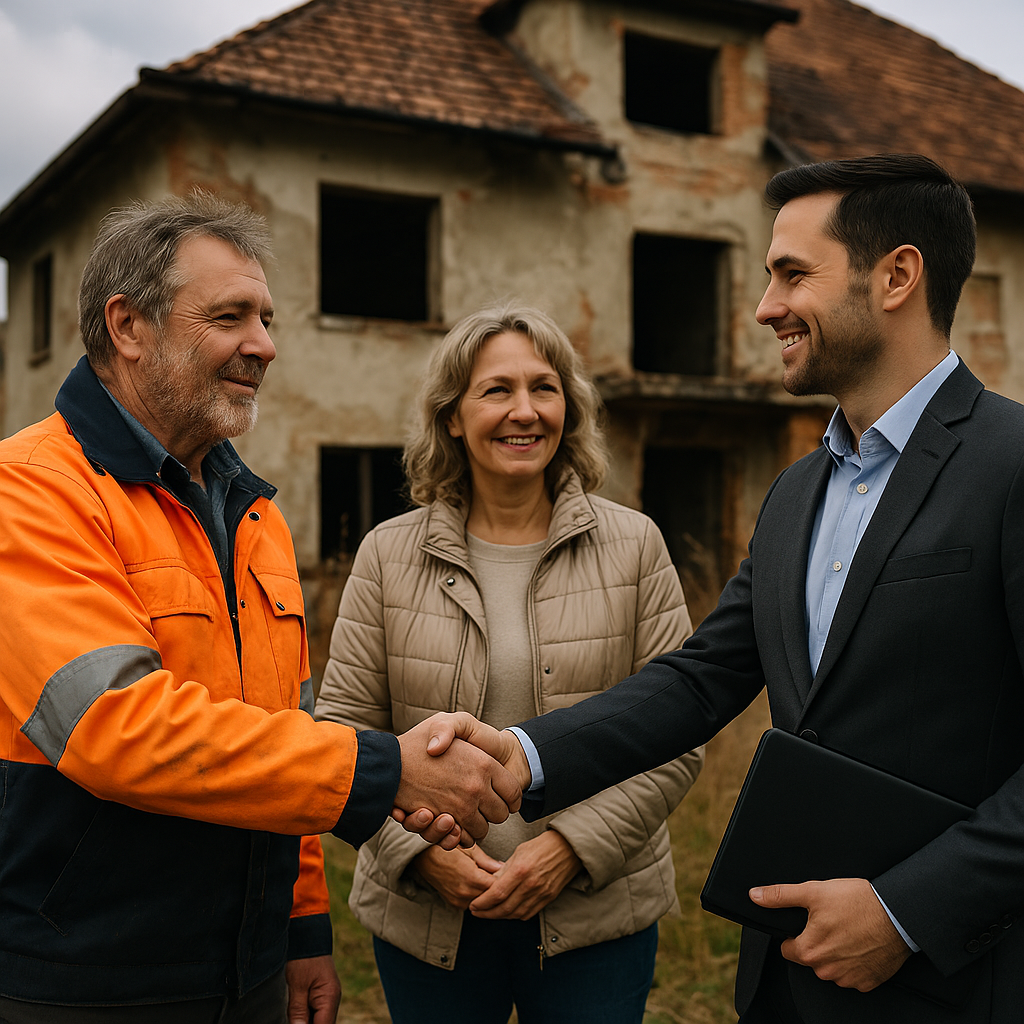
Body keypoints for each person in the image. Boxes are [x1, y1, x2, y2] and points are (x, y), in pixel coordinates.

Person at [425, 154, 1024, 1024]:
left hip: (958, 979)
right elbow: (700, 677)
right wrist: (525, 754)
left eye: (792, 274)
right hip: (785, 974)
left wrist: (906, 910)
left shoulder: (1011, 464)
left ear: (897, 275)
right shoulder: (793, 493)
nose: (764, 306)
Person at [0, 192, 521, 1022]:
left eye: (267, 318)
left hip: (247, 967)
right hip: (86, 976)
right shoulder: (28, 490)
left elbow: (287, 727)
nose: (266, 346)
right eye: (231, 316)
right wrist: (387, 771)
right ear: (129, 326)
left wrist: (303, 924)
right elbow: (114, 726)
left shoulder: (255, 515)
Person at [315, 302, 704, 1024]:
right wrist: (420, 854)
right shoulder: (386, 555)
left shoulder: (636, 546)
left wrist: (567, 850)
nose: (524, 411)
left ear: (569, 408)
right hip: (431, 914)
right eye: (497, 390)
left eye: (544, 388)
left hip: (595, 910)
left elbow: (676, 734)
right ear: (452, 416)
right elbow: (342, 734)